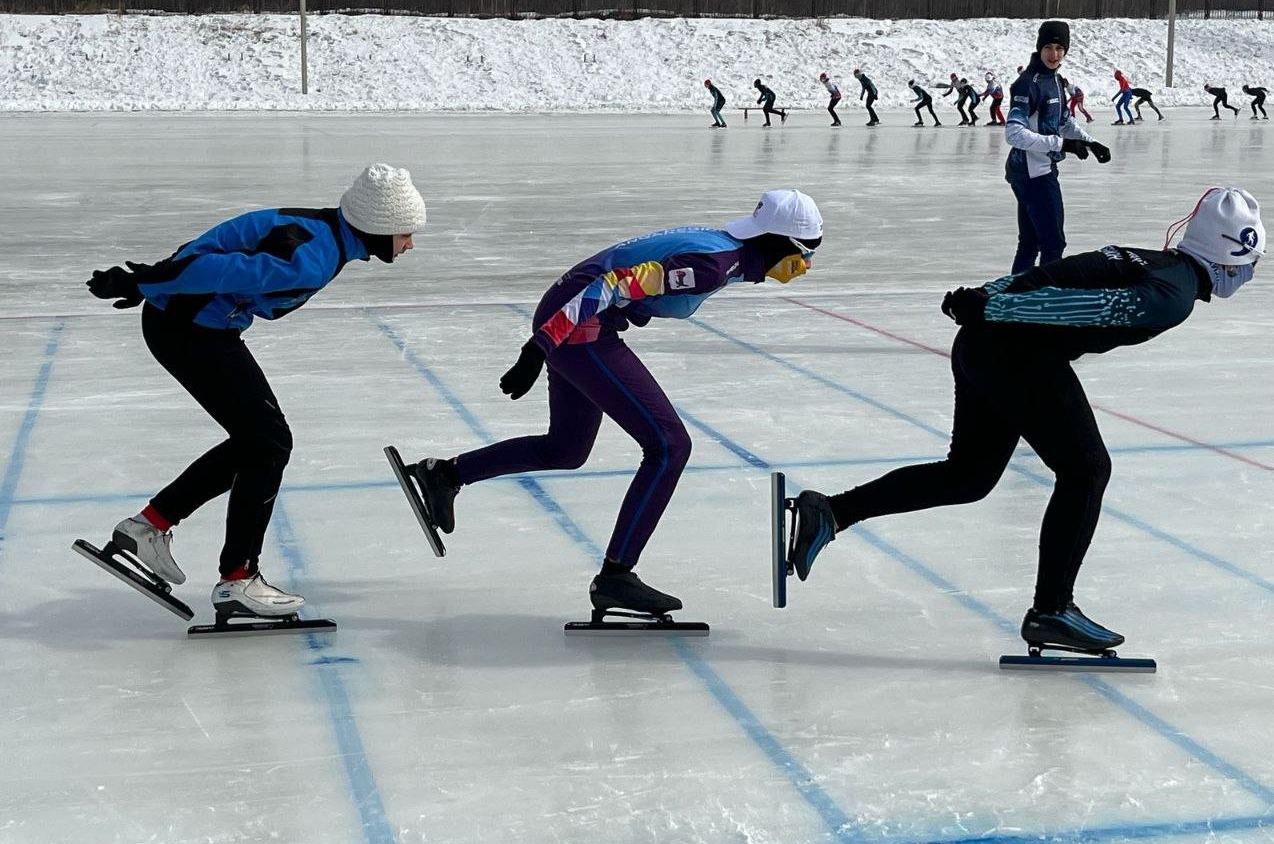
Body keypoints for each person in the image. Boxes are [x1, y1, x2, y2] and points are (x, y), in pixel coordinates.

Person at [786, 187, 1265, 656]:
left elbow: (1063, 269)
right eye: (1248, 266)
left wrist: (988, 294)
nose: (1247, 276)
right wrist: (993, 304)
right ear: (1228, 258)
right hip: (1015, 354)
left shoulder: (1146, 259)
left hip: (985, 345)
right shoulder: (1171, 295)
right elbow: (1083, 309)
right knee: (1086, 470)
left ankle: (829, 511)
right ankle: (1052, 609)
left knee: (968, 476)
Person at [395, 190, 823, 618]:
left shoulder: (727, 253)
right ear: (777, 242)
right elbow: (613, 283)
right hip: (578, 324)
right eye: (805, 254)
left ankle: (444, 475)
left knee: (565, 450)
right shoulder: (711, 265)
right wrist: (539, 346)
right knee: (670, 446)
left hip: (575, 317)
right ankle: (617, 576)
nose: (806, 267)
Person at [84, 164, 425, 618]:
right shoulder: (313, 255)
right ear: (379, 227)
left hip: (194, 324)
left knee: (258, 441)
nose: (409, 244)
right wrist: (145, 283)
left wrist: (156, 282)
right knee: (267, 443)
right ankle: (237, 579)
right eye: (405, 233)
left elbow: (224, 255)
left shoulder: (324, 233)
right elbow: (214, 268)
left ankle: (148, 528)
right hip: (188, 330)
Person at [1004, 20, 1110, 274]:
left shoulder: (1056, 80)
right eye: (1049, 48)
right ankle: (1043, 298)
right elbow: (1013, 133)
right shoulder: (1028, 83)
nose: (1054, 54)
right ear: (1039, 48)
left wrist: (1089, 141)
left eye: (1060, 48)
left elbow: (1063, 120)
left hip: (1037, 170)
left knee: (1030, 242)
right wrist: (1063, 144)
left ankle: (1015, 296)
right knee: (1053, 242)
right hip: (1033, 174)